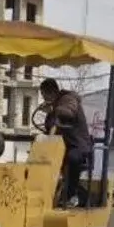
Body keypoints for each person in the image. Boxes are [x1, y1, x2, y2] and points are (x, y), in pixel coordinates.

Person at [38, 78, 91, 207]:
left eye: (44, 95)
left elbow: (68, 112)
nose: (44, 99)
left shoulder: (68, 99)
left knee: (72, 158)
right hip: (62, 145)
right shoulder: (55, 106)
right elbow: (50, 127)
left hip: (77, 144)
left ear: (51, 92)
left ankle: (72, 195)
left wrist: (52, 110)